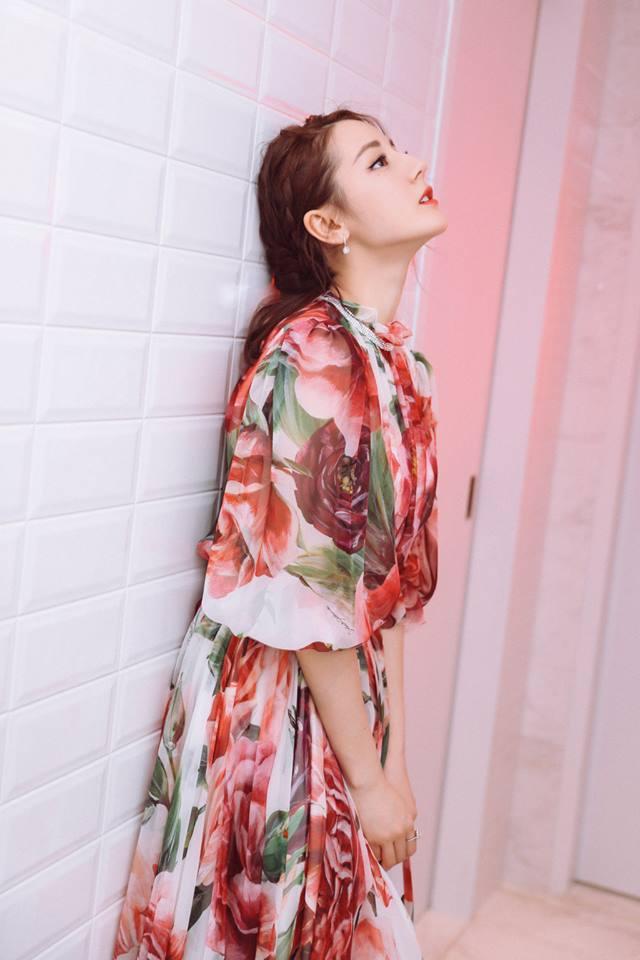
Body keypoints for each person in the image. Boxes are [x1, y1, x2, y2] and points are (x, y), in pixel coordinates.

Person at [113, 107, 446, 959]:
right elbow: (306, 600)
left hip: (348, 703)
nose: (414, 165)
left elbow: (385, 596)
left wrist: (394, 761)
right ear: (328, 225)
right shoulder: (315, 355)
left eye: (397, 151)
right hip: (280, 703)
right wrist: (369, 780)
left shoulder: (396, 363)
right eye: (378, 160)